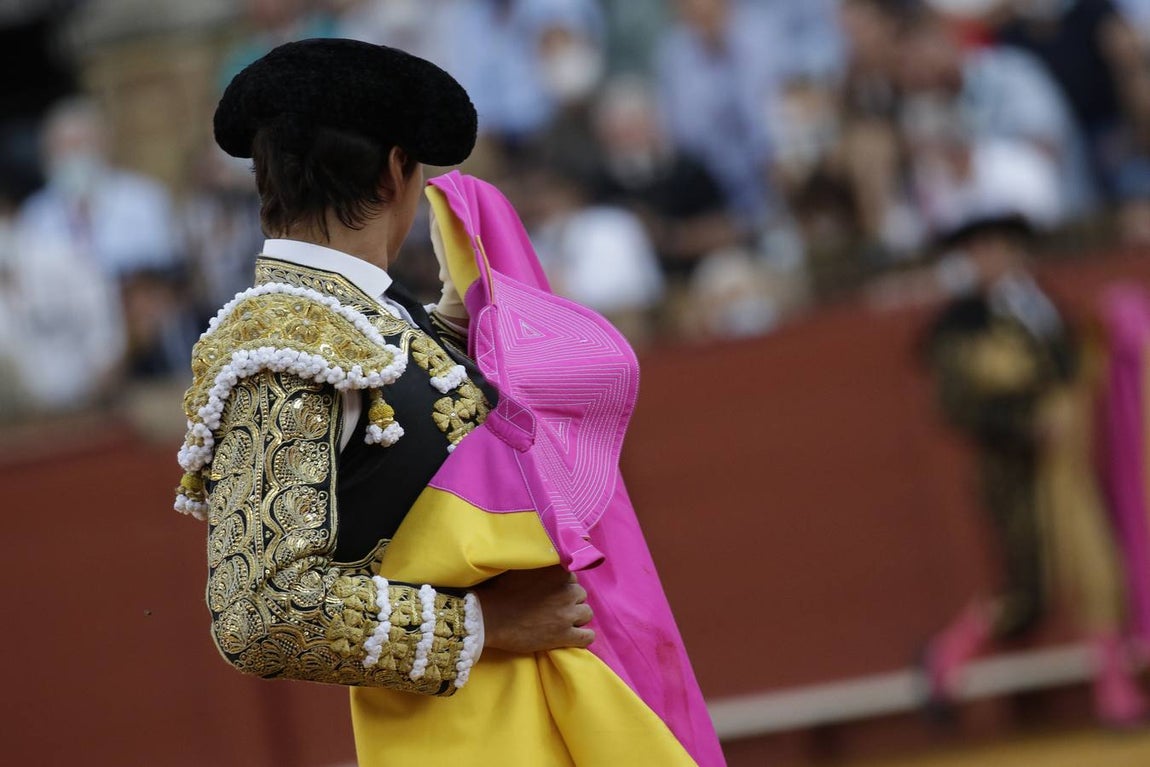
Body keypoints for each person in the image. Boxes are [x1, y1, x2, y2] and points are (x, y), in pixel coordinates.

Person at [176, 39, 720, 765]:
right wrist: (484, 624)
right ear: (396, 169)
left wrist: (466, 325)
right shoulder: (277, 346)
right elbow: (260, 612)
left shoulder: (366, 318)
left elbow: (409, 428)